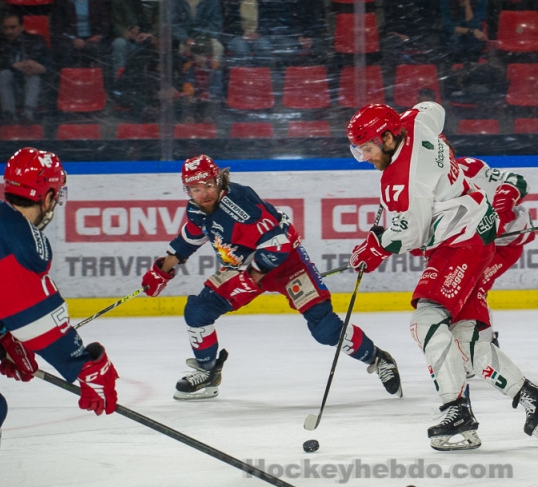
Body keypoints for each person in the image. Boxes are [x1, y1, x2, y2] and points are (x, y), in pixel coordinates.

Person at [346, 103, 538, 451]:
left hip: (460, 244)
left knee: (426, 320)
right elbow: (432, 107)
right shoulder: (417, 123)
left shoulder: (403, 178)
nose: (366, 156)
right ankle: (536, 401)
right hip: (473, 236)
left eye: (369, 148)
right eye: (360, 150)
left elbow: (412, 235)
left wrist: (374, 249)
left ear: (388, 138)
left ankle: (457, 412)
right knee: (467, 339)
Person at [140, 155, 402, 401]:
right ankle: (208, 372)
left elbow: (278, 244)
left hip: (288, 264)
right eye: (195, 189)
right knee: (197, 311)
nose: (203, 194)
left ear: (219, 181)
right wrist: (164, 267)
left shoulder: (240, 206)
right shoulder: (198, 208)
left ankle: (379, 359)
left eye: (208, 185)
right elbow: (192, 235)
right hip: (244, 268)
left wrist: (252, 278)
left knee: (325, 329)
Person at [0, 148, 119, 487]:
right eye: (56, 194)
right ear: (48, 196)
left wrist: (2, 339)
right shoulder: (15, 238)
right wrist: (85, 366)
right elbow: (39, 320)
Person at [456, 155, 535, 363]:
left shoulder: (469, 168)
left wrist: (506, 197)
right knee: (462, 289)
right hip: (479, 243)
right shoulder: (424, 184)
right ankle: (480, 344)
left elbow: (516, 180)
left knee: (474, 286)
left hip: (505, 244)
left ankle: (482, 349)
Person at [0, 10, 50, 124]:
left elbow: (53, 67)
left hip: (35, 92)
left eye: (13, 27)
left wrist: (42, 68)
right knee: (4, 74)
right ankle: (9, 115)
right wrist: (13, 66)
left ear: (22, 27)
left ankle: (27, 115)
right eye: (6, 28)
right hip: (10, 91)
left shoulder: (37, 40)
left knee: (33, 75)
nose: (9, 31)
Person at [53, 0, 112, 69]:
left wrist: (98, 36)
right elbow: (58, 27)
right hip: (71, 40)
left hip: (93, 39)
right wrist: (73, 40)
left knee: (104, 51)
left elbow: (105, 23)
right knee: (66, 51)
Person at [440, 0, 488, 65]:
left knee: (472, 41)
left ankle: (471, 67)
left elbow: (475, 25)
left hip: (472, 37)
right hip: (453, 36)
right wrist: (471, 31)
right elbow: (448, 26)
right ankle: (455, 68)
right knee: (455, 39)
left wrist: (467, 4)